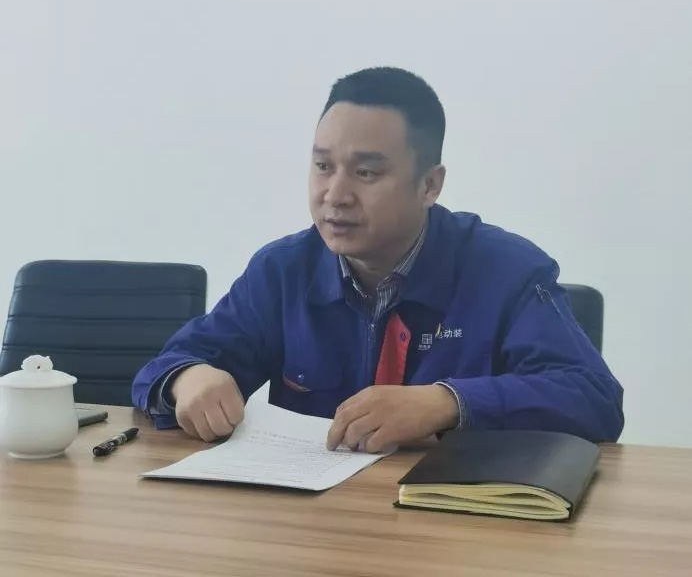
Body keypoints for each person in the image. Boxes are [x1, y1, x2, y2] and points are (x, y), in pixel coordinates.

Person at [132, 67, 624, 452]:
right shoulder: (283, 270)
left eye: (366, 173)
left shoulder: (506, 271)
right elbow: (165, 367)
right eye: (323, 166)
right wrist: (187, 379)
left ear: (429, 184)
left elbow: (593, 397)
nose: (335, 194)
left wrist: (447, 403)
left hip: (458, 523)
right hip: (315, 524)